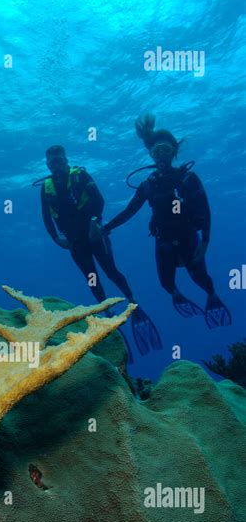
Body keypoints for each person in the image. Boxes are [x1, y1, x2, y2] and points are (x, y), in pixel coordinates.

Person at [103, 115, 231, 329]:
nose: (161, 154)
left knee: (199, 277)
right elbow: (129, 211)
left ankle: (212, 296)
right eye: (156, 150)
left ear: (174, 152)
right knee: (165, 284)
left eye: (166, 149)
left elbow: (205, 210)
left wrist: (205, 242)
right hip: (163, 239)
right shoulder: (148, 185)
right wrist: (105, 228)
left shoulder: (188, 178)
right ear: (151, 154)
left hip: (189, 236)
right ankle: (177, 295)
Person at [37, 144, 161, 357]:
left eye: (59, 160)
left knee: (111, 270)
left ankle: (132, 302)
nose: (56, 165)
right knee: (91, 277)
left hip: (94, 235)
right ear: (48, 164)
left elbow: (99, 200)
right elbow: (46, 216)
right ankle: (107, 311)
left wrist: (95, 221)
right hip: (75, 242)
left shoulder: (81, 175)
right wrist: (57, 239)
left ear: (66, 160)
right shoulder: (45, 188)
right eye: (51, 162)